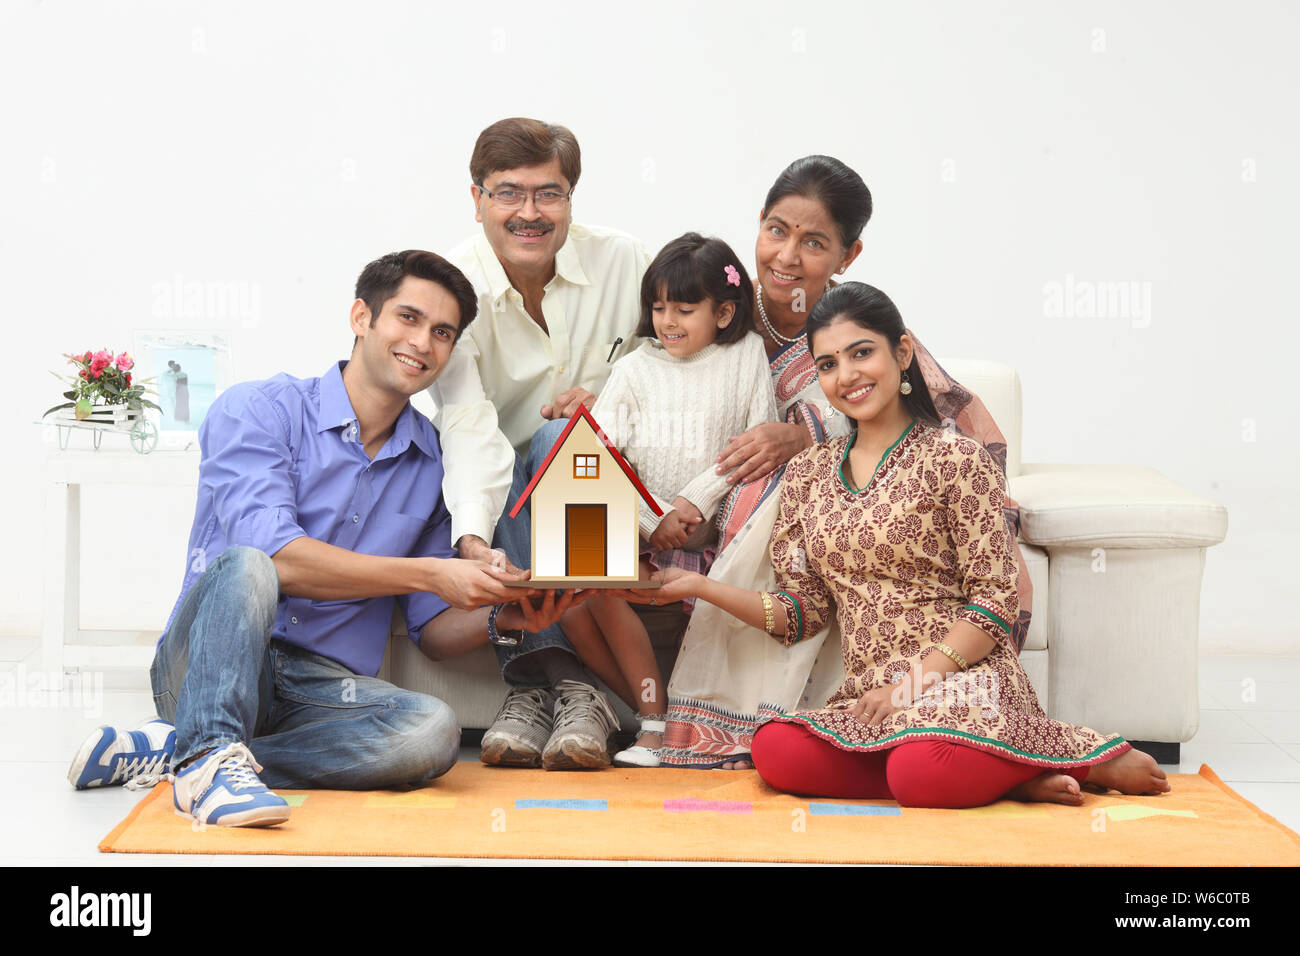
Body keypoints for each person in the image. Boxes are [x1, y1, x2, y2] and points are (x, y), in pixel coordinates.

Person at [67, 250, 583, 826]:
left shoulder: (431, 462)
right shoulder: (258, 409)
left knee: (432, 733)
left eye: (442, 332)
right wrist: (432, 572)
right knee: (249, 563)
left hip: (320, 687)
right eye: (407, 318)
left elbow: (431, 631)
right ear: (362, 316)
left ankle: (187, 755)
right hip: (209, 660)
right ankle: (209, 749)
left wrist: (504, 616)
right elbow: (277, 560)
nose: (422, 343)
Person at [637, 283, 1169, 807]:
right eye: (827, 365)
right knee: (776, 751)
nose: (846, 376)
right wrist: (701, 586)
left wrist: (910, 688)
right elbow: (803, 614)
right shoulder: (807, 474)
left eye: (861, 353)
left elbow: (995, 600)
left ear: (903, 352)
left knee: (920, 773)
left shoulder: (956, 459)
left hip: (960, 683)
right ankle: (1011, 774)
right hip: (871, 701)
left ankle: (1070, 756)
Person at [661, 155, 1035, 769]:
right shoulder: (715, 307)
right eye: (777, 231)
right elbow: (656, 376)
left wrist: (804, 430)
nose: (786, 256)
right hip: (707, 487)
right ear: (758, 224)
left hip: (827, 509)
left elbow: (930, 423)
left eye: (814, 242)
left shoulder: (858, 325)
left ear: (848, 255)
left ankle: (1006, 755)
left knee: (787, 479)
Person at [429, 117, 652, 770]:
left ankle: (550, 688)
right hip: (504, 489)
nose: (529, 213)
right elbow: (467, 421)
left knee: (565, 438)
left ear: (571, 198)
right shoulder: (451, 285)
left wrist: (612, 407)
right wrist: (473, 538)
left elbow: (680, 365)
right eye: (508, 193)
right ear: (476, 200)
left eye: (548, 193)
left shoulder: (626, 261)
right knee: (532, 455)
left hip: (607, 477)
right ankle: (562, 688)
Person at [559, 234, 777, 768]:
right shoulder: (634, 369)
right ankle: (651, 720)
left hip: (715, 534)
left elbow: (755, 443)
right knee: (580, 580)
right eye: (658, 308)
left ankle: (699, 723)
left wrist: (694, 501)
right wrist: (651, 516)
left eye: (684, 309)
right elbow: (597, 454)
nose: (667, 321)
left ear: (724, 313)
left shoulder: (744, 355)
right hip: (642, 533)